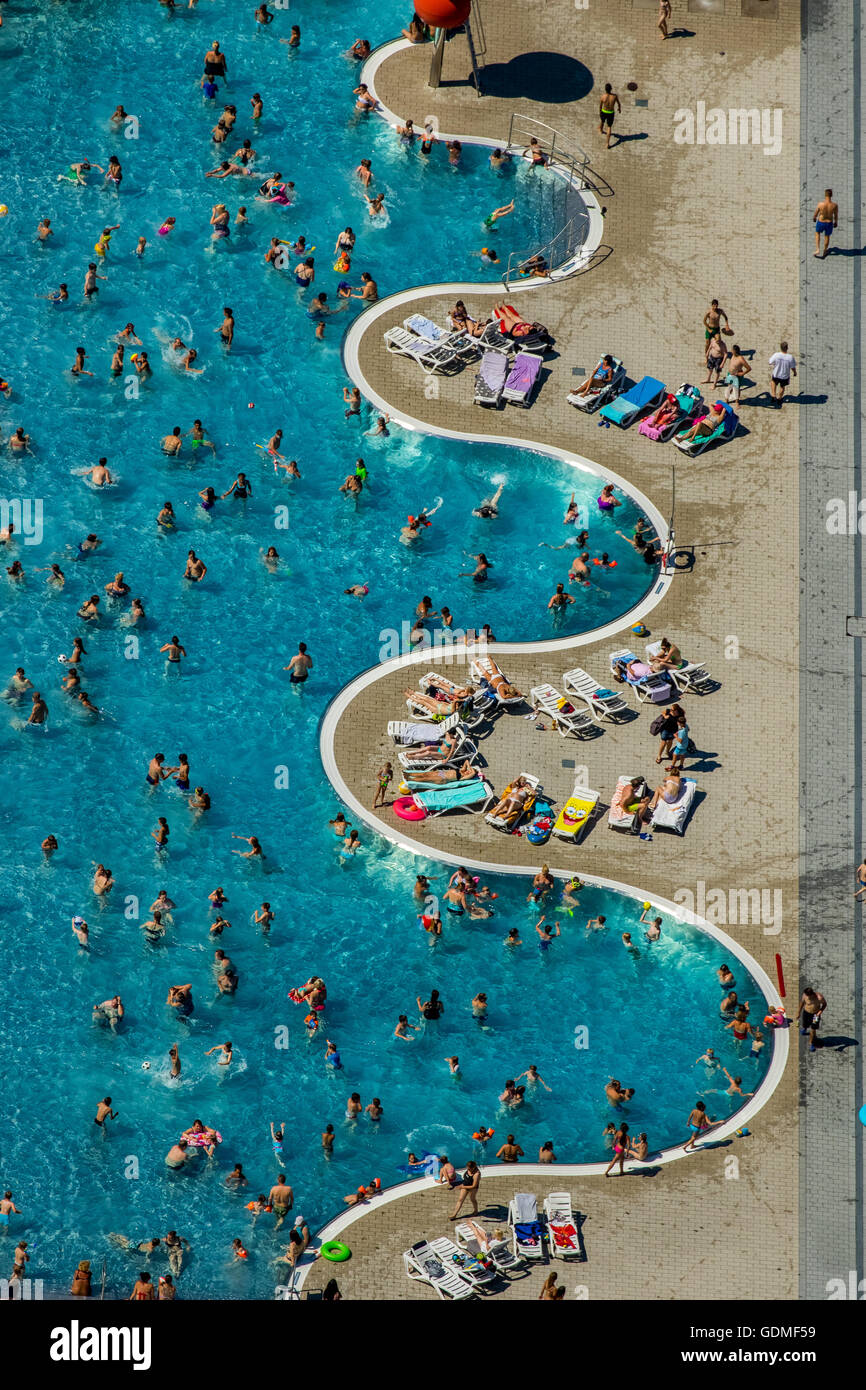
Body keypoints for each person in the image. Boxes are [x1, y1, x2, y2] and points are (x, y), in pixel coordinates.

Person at [796, 986, 827, 1051]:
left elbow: (824, 1004)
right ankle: (804, 1029)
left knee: (813, 1029)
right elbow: (802, 1003)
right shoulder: (805, 995)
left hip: (815, 1015)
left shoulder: (819, 998)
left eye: (808, 996)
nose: (807, 997)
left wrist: (820, 1012)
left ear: (812, 994)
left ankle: (812, 1043)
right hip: (806, 1013)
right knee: (805, 1024)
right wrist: (798, 1012)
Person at [768, 340, 797, 407]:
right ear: (787, 348)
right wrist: (795, 372)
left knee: (773, 382)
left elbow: (770, 362)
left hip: (776, 373)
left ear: (780, 348)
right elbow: (793, 367)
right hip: (784, 376)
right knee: (782, 387)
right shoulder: (790, 357)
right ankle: (779, 399)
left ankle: (773, 396)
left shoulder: (776, 355)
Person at [813, 188, 838, 258]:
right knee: (827, 236)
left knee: (817, 233)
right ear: (831, 195)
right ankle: (824, 250)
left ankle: (818, 249)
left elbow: (816, 213)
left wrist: (814, 218)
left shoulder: (820, 204)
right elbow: (836, 215)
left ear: (825, 195)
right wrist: (836, 222)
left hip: (821, 222)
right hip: (829, 223)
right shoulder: (834, 205)